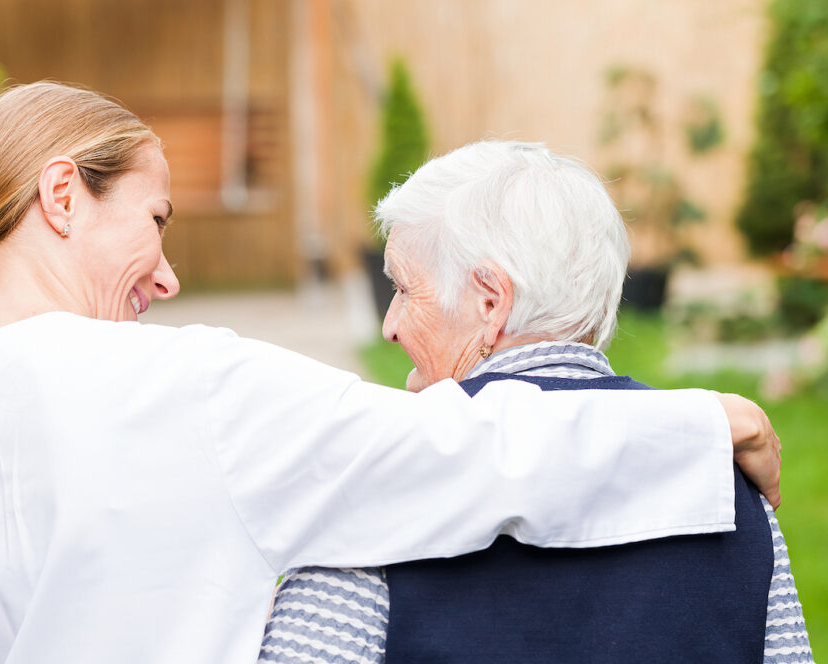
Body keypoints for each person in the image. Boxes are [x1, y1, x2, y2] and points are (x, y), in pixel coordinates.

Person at [0, 83, 781, 663]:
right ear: (63, 195)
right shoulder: (176, 390)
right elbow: (465, 446)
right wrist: (709, 424)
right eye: (156, 221)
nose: (170, 272)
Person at [260, 141, 811, 664]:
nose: (390, 325)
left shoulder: (381, 479)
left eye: (403, 289)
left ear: (491, 300)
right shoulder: (725, 479)